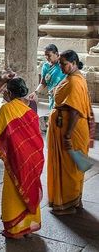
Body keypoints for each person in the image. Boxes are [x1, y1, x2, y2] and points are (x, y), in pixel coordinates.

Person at [0, 77, 44, 239]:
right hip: (32, 156)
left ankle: (15, 230)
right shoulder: (31, 107)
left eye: (6, 91)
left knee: (13, 190)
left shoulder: (6, 109)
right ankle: (28, 225)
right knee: (29, 185)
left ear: (9, 92)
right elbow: (36, 133)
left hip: (16, 158)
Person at [47, 50, 92, 215]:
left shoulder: (74, 82)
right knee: (74, 165)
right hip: (69, 126)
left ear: (73, 63)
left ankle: (66, 204)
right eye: (60, 64)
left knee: (70, 166)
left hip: (71, 128)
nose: (61, 67)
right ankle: (75, 200)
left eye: (64, 64)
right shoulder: (76, 77)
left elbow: (74, 110)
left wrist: (67, 134)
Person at [29, 44, 66, 111]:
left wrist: (56, 88)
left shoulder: (63, 65)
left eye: (49, 55)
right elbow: (43, 83)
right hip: (52, 97)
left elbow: (69, 80)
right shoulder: (45, 66)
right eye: (45, 55)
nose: (47, 57)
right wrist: (35, 93)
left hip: (63, 96)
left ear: (56, 54)